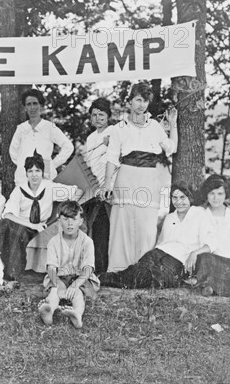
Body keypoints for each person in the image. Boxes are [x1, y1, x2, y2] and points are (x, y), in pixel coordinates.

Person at [100, 83, 178, 272]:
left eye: (145, 101)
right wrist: (107, 184)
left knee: (146, 226)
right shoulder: (119, 128)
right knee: (122, 225)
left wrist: (173, 124)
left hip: (149, 179)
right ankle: (118, 269)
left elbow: (171, 148)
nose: (142, 105)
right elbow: (111, 157)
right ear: (130, 101)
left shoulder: (155, 126)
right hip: (126, 176)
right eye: (138, 100)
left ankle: (143, 271)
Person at [0, 151, 82, 280]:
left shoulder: (49, 187)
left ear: (42, 173)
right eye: (30, 171)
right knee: (4, 225)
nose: (34, 175)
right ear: (26, 173)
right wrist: (32, 225)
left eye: (37, 171)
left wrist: (69, 209)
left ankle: (12, 275)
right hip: (23, 224)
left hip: (40, 226)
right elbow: (8, 214)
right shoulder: (20, 189)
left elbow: (77, 190)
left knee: (12, 230)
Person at [99, 184, 209, 289]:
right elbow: (161, 243)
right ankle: (102, 278)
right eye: (174, 198)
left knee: (148, 278)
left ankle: (102, 278)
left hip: (178, 261)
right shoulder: (170, 217)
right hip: (158, 253)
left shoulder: (200, 214)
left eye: (182, 197)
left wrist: (194, 253)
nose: (178, 202)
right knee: (136, 270)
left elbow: (210, 245)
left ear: (190, 198)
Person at [38, 201, 99, 328]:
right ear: (59, 221)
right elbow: (51, 267)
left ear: (80, 221)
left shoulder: (87, 242)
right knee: (54, 291)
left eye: (74, 219)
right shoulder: (53, 242)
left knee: (78, 294)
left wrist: (76, 284)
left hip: (81, 278)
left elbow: (88, 268)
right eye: (65, 219)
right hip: (60, 277)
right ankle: (49, 310)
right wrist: (59, 284)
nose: (70, 223)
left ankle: (77, 314)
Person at [188, 175, 230, 296]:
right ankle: (213, 286)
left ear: (226, 194)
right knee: (206, 259)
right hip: (209, 260)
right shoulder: (198, 212)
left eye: (220, 194)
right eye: (212, 193)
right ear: (206, 194)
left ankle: (216, 286)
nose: (216, 198)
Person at [9, 88, 74, 187]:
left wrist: (52, 164)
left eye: (35, 103)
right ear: (25, 108)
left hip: (45, 175)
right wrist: (23, 166)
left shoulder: (49, 127)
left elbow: (68, 147)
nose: (32, 107)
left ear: (41, 106)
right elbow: (13, 151)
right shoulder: (21, 128)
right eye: (29, 104)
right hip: (23, 178)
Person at [82, 97, 115, 273]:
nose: (97, 118)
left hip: (109, 187)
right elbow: (90, 162)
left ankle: (105, 268)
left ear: (108, 116)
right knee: (94, 227)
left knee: (105, 227)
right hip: (94, 188)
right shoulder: (90, 137)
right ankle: (94, 266)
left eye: (101, 114)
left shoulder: (114, 132)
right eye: (94, 115)